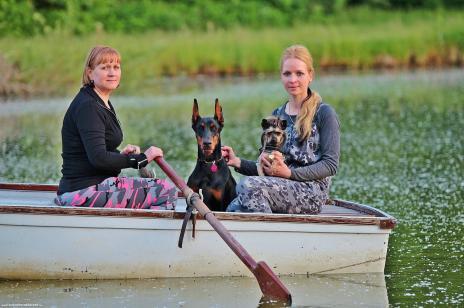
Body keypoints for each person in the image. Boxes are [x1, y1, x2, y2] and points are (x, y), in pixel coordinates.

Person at [222, 45, 340, 214]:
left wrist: (289, 173)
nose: (293, 79)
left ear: (310, 75)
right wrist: (237, 162)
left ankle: (270, 235)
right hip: (277, 187)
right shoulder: (277, 115)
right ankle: (267, 234)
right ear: (281, 77)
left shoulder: (324, 113)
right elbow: (267, 169)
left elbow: (330, 165)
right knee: (232, 208)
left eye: (299, 73)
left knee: (246, 185)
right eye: (287, 74)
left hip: (310, 193)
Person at [55, 45, 177, 209]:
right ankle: (142, 234)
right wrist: (141, 159)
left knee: (157, 186)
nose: (112, 73)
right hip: (80, 192)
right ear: (90, 72)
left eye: (116, 67)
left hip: (96, 186)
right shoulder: (88, 106)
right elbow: (98, 158)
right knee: (166, 191)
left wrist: (119, 155)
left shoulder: (100, 100)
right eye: (105, 67)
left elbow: (97, 153)